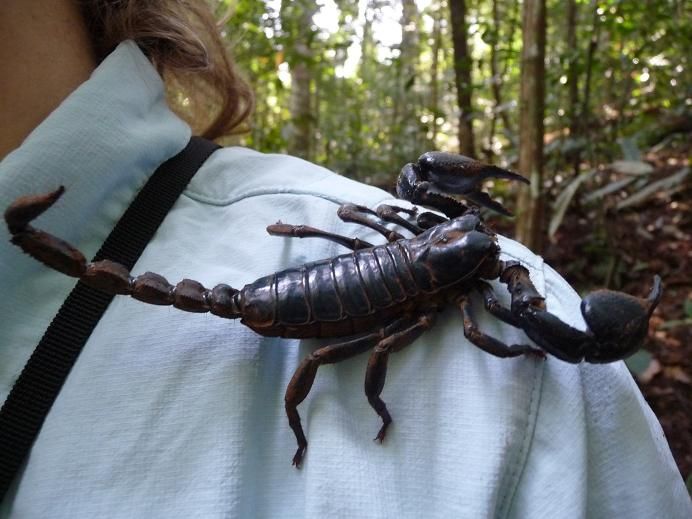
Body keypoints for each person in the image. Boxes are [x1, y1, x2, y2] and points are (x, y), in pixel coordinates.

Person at [0, 1, 689, 517]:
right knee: (328, 350)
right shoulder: (468, 286)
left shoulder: (528, 394)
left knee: (326, 348)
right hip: (321, 289)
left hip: (317, 284)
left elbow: (388, 225)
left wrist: (522, 352)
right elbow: (456, 306)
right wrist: (514, 344)